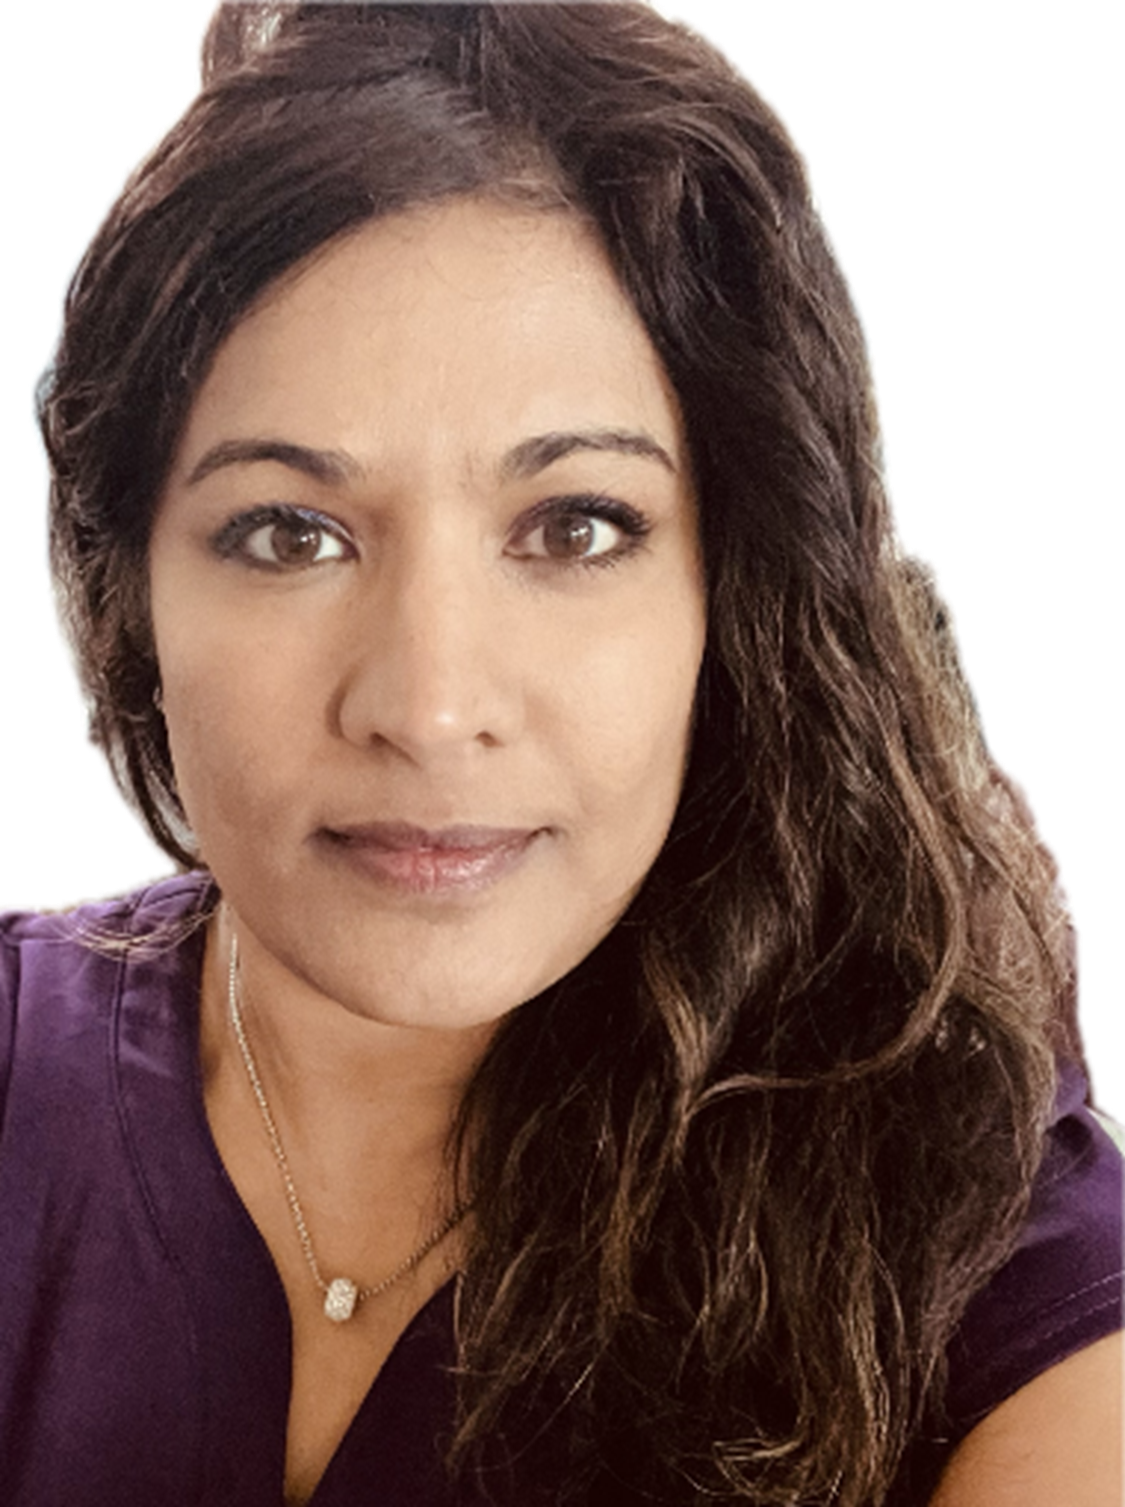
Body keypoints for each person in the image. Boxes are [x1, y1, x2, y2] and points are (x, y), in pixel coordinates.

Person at [6, 2, 1122, 1503]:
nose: (429, 703)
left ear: (733, 592)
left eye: (576, 528)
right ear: (130, 593)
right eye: (289, 534)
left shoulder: (998, 1259)